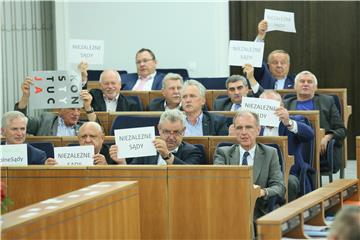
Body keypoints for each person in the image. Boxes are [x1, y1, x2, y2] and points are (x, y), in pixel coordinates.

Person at [214, 110, 285, 220]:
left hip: (258, 210)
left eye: (248, 127)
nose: (243, 132)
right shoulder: (223, 153)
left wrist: (261, 192)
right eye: (239, 128)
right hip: (229, 209)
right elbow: (218, 182)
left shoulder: (270, 153)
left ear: (258, 130)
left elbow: (279, 187)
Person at [283, 71, 346, 173]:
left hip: (319, 150)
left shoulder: (327, 102)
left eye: (309, 82)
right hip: (292, 148)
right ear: (295, 86)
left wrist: (327, 137)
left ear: (315, 87)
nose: (306, 84)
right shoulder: (286, 104)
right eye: (302, 81)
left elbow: (341, 130)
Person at [258, 90, 315, 201]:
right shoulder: (253, 126)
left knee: (290, 182)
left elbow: (309, 135)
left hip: (287, 172)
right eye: (265, 106)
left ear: (282, 107)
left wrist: (288, 122)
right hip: (260, 171)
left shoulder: (292, 122)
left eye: (272, 106)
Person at [109, 109, 203, 165]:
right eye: (166, 132)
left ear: (183, 131)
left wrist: (167, 156)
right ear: (159, 129)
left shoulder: (193, 152)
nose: (171, 137)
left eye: (176, 132)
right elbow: (135, 175)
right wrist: (122, 163)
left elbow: (188, 174)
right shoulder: (146, 149)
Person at [14, 77, 97, 136]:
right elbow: (20, 121)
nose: (76, 113)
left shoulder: (83, 127)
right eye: (71, 109)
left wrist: (88, 107)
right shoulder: (45, 121)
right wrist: (25, 96)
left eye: (78, 110)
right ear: (60, 109)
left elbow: (98, 130)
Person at [46, 122, 125, 165]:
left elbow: (122, 180)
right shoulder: (67, 154)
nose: (87, 140)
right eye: (83, 137)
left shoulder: (113, 153)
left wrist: (105, 167)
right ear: (78, 139)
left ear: (102, 138)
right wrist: (49, 169)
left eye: (92, 136)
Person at [253, 20, 295, 89]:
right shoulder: (262, 77)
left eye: (283, 62)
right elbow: (255, 59)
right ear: (268, 65)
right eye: (275, 62)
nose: (279, 65)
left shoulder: (296, 81)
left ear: (288, 65)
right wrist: (260, 36)